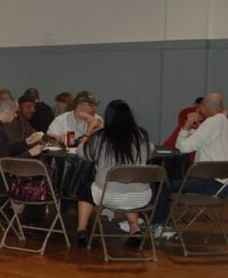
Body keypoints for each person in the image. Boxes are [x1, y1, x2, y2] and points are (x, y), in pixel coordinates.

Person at [73, 100, 153, 248]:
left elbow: (81, 152)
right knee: (129, 185)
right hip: (140, 196)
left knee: (86, 187)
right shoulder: (141, 135)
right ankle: (134, 229)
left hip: (109, 196)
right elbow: (150, 151)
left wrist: (88, 131)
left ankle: (81, 230)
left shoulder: (100, 138)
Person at [150, 92, 228, 235]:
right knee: (174, 182)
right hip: (224, 185)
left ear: (204, 107)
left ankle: (159, 225)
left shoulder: (211, 123)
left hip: (212, 184)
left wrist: (186, 124)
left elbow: (182, 148)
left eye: (200, 107)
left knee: (164, 185)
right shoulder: (223, 121)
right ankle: (157, 222)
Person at [0, 98, 44, 195]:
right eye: (15, 112)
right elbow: (6, 164)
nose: (15, 115)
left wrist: (26, 142)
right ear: (7, 111)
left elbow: (4, 148)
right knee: (37, 182)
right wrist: (30, 153)